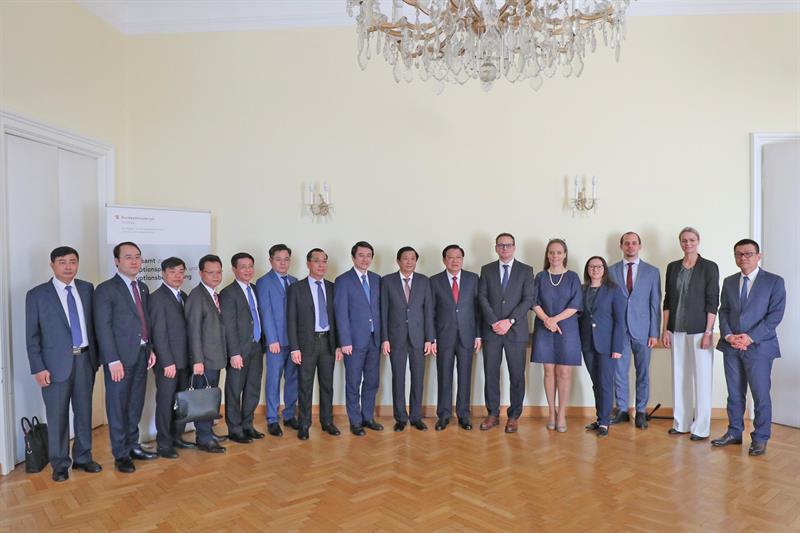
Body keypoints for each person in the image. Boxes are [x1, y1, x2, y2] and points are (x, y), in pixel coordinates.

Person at [25, 246, 101, 481]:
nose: (68, 266)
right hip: (54, 365)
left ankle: (83, 457)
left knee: (84, 412)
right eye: (62, 262)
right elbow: (32, 336)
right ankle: (59, 463)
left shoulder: (88, 289)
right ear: (52, 265)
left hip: (85, 360)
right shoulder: (37, 294)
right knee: (57, 415)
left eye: (73, 261)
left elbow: (94, 326)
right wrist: (38, 367)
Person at [712, 239, 786, 456]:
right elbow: (723, 311)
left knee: (761, 395)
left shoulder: (774, 282)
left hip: (760, 347)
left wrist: (750, 337)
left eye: (748, 253)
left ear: (758, 256)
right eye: (738, 254)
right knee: (734, 393)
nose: (743, 257)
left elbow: (775, 316)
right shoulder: (728, 281)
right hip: (732, 346)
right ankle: (734, 432)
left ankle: (760, 437)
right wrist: (728, 335)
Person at [94, 241, 157, 473]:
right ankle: (120, 454)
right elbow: (103, 327)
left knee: (135, 404)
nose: (134, 261)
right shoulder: (106, 289)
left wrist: (150, 349)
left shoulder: (142, 288)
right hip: (119, 359)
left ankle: (133, 445)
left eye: (137, 257)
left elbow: (145, 322)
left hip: (141, 355)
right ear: (117, 261)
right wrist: (112, 360)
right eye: (128, 257)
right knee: (117, 407)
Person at [662, 227, 719, 441]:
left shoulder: (709, 267)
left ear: (698, 241)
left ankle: (701, 427)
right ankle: (681, 423)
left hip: (699, 331)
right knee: (679, 375)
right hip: (676, 329)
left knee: (702, 378)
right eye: (684, 240)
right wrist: (665, 329)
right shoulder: (673, 267)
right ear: (680, 243)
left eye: (692, 240)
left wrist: (708, 331)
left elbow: (713, 301)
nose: (688, 243)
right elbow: (667, 300)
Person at [477, 232, 535, 433]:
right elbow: (482, 298)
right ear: (496, 248)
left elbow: (528, 299)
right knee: (491, 374)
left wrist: (509, 321)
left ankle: (513, 416)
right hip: (492, 331)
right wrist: (495, 322)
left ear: (514, 247)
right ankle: (492, 413)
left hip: (516, 331)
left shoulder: (526, 270)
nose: (505, 248)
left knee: (517, 375)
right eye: (501, 245)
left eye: (508, 245)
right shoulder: (487, 269)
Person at [287, 248, 342, 440]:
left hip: (328, 342)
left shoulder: (332, 287)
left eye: (324, 261)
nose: (321, 265)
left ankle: (327, 422)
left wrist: (339, 345)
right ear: (308, 263)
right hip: (306, 345)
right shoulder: (296, 288)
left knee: (327, 385)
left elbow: (338, 319)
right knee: (305, 386)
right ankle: (304, 424)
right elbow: (291, 320)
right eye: (317, 261)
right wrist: (294, 347)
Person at [608, 232, 662, 429]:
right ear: (620, 246)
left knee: (643, 372)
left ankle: (640, 411)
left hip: (644, 330)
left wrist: (654, 332)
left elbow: (656, 303)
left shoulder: (652, 272)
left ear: (640, 246)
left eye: (634, 243)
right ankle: (621, 409)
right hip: (619, 330)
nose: (630, 246)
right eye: (626, 243)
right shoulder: (611, 270)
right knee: (619, 372)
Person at [380, 246, 435, 432]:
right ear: (398, 261)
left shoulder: (424, 281)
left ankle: (416, 416)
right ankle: (401, 417)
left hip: (419, 338)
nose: (409, 262)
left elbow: (428, 312)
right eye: (405, 258)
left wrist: (430, 338)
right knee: (398, 378)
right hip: (396, 338)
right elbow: (383, 312)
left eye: (413, 258)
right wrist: (385, 338)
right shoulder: (387, 281)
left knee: (418, 378)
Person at [531, 238, 582, 433]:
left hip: (567, 329)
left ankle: (562, 414)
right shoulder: (540, 277)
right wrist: (546, 320)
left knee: (564, 373)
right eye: (551, 252)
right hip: (544, 329)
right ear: (547, 255)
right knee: (549, 372)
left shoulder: (573, 277)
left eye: (559, 252)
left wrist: (555, 320)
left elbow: (576, 304)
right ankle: (551, 412)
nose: (555, 256)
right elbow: (533, 302)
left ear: (565, 255)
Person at [334, 241, 383, 436]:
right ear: (353, 257)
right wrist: (344, 341)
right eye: (361, 255)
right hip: (353, 342)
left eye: (368, 255)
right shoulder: (343, 280)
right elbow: (341, 313)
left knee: (372, 381)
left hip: (374, 339)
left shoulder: (378, 279)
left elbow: (381, 311)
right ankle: (355, 421)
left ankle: (367, 417)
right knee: (353, 382)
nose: (365, 259)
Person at [430, 244, 481, 431]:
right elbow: (431, 311)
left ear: (462, 259)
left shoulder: (473, 279)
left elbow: (478, 310)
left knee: (465, 376)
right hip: (443, 336)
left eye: (458, 257)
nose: (455, 260)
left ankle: (464, 415)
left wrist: (478, 335)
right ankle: (443, 415)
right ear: (444, 260)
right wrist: (432, 337)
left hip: (467, 335)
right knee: (444, 376)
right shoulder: (434, 281)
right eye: (450, 257)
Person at [148, 257, 194, 458]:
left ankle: (177, 437)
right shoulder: (157, 298)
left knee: (181, 402)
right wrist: (167, 362)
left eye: (181, 271)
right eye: (173, 271)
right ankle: (164, 444)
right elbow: (158, 333)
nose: (178, 276)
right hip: (169, 364)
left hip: (185, 361)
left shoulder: (183, 295)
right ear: (163, 273)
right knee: (166, 403)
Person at [219, 252, 266, 444]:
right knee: (234, 390)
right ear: (234, 269)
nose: (248, 270)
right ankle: (235, 429)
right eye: (243, 267)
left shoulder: (254, 289)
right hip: (238, 351)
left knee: (253, 389)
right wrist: (234, 353)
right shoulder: (228, 293)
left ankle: (248, 425)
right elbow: (228, 326)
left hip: (256, 348)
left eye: (250, 266)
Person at [579, 256, 626, 437]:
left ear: (604, 269)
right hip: (587, 343)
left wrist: (617, 348)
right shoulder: (582, 290)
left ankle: (605, 422)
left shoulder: (613, 290)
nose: (595, 269)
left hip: (607, 346)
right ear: (587, 269)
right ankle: (600, 417)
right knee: (596, 383)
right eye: (591, 266)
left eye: (599, 266)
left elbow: (620, 322)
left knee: (605, 382)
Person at [185, 254, 228, 453]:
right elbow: (193, 331)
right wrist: (198, 361)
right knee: (204, 399)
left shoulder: (212, 294)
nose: (215, 276)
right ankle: (204, 439)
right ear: (201, 273)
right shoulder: (197, 296)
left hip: (215, 357)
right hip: (204, 360)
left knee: (211, 397)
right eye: (210, 272)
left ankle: (207, 432)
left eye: (218, 272)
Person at [255, 244, 299, 437]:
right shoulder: (264, 282)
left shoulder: (295, 281)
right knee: (273, 381)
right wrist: (271, 339)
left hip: (294, 342)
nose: (283, 263)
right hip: (276, 343)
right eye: (279, 259)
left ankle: (289, 415)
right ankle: (272, 419)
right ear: (271, 260)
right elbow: (265, 312)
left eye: (286, 259)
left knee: (293, 380)